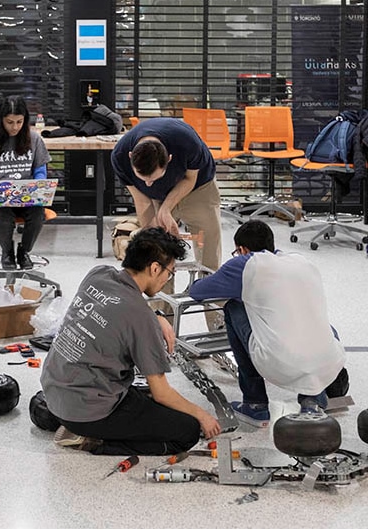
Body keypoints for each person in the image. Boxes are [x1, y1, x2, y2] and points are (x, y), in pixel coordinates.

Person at [40, 227, 222, 455]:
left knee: (141, 396)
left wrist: (155, 317)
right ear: (155, 268)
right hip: (88, 410)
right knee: (187, 430)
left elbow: (121, 303)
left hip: (54, 390)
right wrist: (202, 415)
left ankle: (77, 425)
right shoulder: (140, 318)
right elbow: (161, 393)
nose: (168, 278)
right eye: (170, 272)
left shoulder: (98, 274)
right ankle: (91, 441)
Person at [189, 220, 348, 428]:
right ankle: (313, 400)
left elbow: (197, 291)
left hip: (280, 363)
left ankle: (255, 404)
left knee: (233, 307)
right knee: (306, 314)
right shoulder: (300, 261)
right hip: (330, 360)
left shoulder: (244, 264)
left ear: (242, 249)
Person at [110, 117, 222, 281]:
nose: (147, 184)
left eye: (153, 178)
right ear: (130, 155)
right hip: (158, 196)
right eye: (142, 178)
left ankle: (212, 303)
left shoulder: (186, 142)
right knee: (156, 254)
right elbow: (142, 200)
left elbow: (189, 179)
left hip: (198, 188)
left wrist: (165, 209)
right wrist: (150, 234)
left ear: (169, 159)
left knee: (209, 252)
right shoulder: (120, 156)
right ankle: (160, 305)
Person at [0, 96, 52, 270]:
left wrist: (35, 187)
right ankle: (7, 253)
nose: (14, 127)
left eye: (19, 122)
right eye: (9, 122)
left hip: (26, 195)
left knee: (38, 213)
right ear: (1, 121)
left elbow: (40, 170)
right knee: (4, 213)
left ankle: (24, 252)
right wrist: (0, 189)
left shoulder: (34, 139)